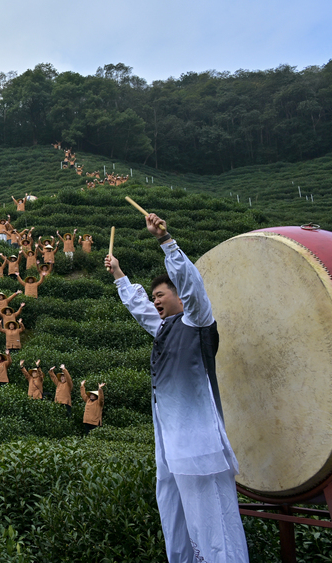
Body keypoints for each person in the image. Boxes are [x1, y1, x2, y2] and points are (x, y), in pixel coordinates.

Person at [105, 211, 249, 563]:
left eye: (161, 294)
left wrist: (165, 242)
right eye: (154, 295)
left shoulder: (198, 322)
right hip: (170, 441)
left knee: (211, 517)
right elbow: (140, 308)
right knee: (175, 510)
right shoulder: (165, 329)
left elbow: (193, 286)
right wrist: (119, 274)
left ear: (180, 297)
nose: (155, 300)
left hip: (198, 442)